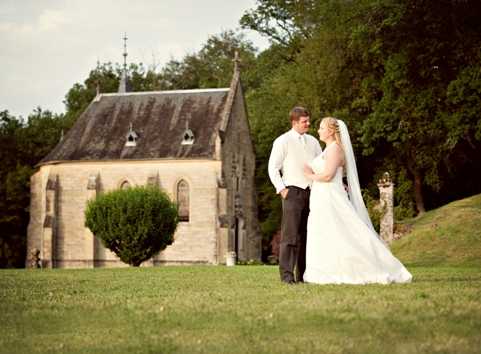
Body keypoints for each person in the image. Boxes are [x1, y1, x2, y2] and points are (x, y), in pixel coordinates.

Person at [303, 117, 412, 284]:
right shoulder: (326, 150)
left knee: (346, 232)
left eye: (321, 127)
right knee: (326, 232)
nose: (318, 130)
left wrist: (308, 175)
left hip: (331, 197)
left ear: (331, 131)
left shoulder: (335, 149)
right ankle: (326, 270)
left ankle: (375, 266)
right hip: (321, 197)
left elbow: (327, 175)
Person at [268, 107, 322, 284]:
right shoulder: (282, 141)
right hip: (292, 191)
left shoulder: (313, 141)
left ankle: (303, 276)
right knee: (290, 236)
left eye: (308, 120)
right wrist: (282, 189)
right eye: (304, 121)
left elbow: (320, 164)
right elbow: (273, 168)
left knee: (306, 236)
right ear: (294, 122)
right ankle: (287, 276)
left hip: (312, 192)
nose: (308, 124)